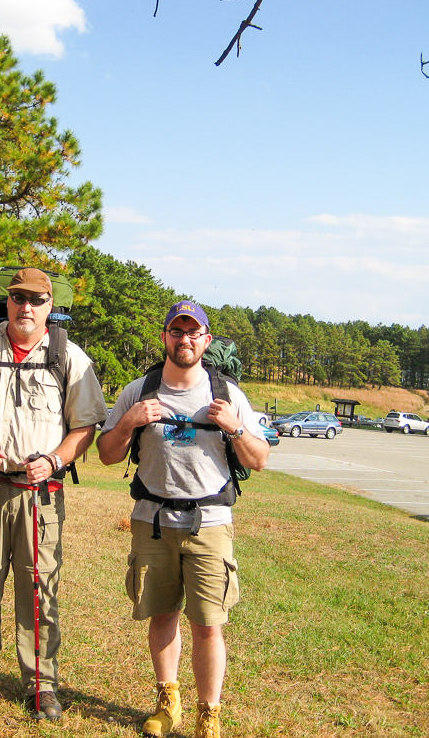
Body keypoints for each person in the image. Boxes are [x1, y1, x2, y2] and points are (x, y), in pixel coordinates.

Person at [0, 267, 108, 720]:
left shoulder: (69, 356)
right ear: (6, 302)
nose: (25, 307)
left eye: (35, 300)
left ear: (51, 306)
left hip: (40, 495)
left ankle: (41, 684)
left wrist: (54, 461)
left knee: (39, 587)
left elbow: (85, 425)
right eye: (17, 298)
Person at [95, 300, 270, 738]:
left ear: (206, 341)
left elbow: (260, 458)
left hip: (210, 522)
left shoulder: (227, 395)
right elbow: (106, 454)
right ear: (165, 337)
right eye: (177, 331)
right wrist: (129, 422)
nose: (185, 339)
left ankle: (208, 714)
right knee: (161, 616)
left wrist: (234, 427)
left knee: (208, 625)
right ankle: (167, 700)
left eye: (194, 333)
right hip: (151, 519)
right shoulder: (139, 390)